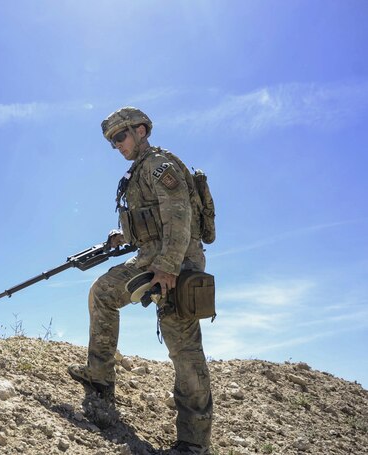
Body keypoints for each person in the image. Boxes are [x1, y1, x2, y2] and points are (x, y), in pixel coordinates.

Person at [67, 107, 213, 455]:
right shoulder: (137, 173)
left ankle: (194, 444)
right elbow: (155, 222)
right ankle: (100, 377)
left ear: (141, 130)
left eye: (121, 136)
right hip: (151, 258)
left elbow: (180, 216)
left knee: (184, 349)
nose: (117, 145)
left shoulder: (160, 165)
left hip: (179, 264)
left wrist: (168, 267)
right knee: (103, 292)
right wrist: (125, 234)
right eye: (112, 141)